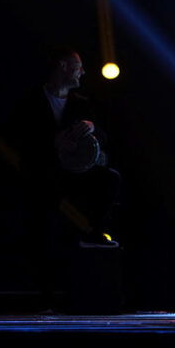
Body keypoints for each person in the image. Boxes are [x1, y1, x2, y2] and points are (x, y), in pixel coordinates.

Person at [13, 48, 121, 307]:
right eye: (78, 66)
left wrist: (92, 127)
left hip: (76, 174)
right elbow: (19, 137)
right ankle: (46, 293)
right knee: (44, 223)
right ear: (63, 66)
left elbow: (104, 137)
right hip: (45, 174)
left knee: (110, 178)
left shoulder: (81, 103)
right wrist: (53, 142)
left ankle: (95, 231)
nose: (82, 72)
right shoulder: (32, 100)